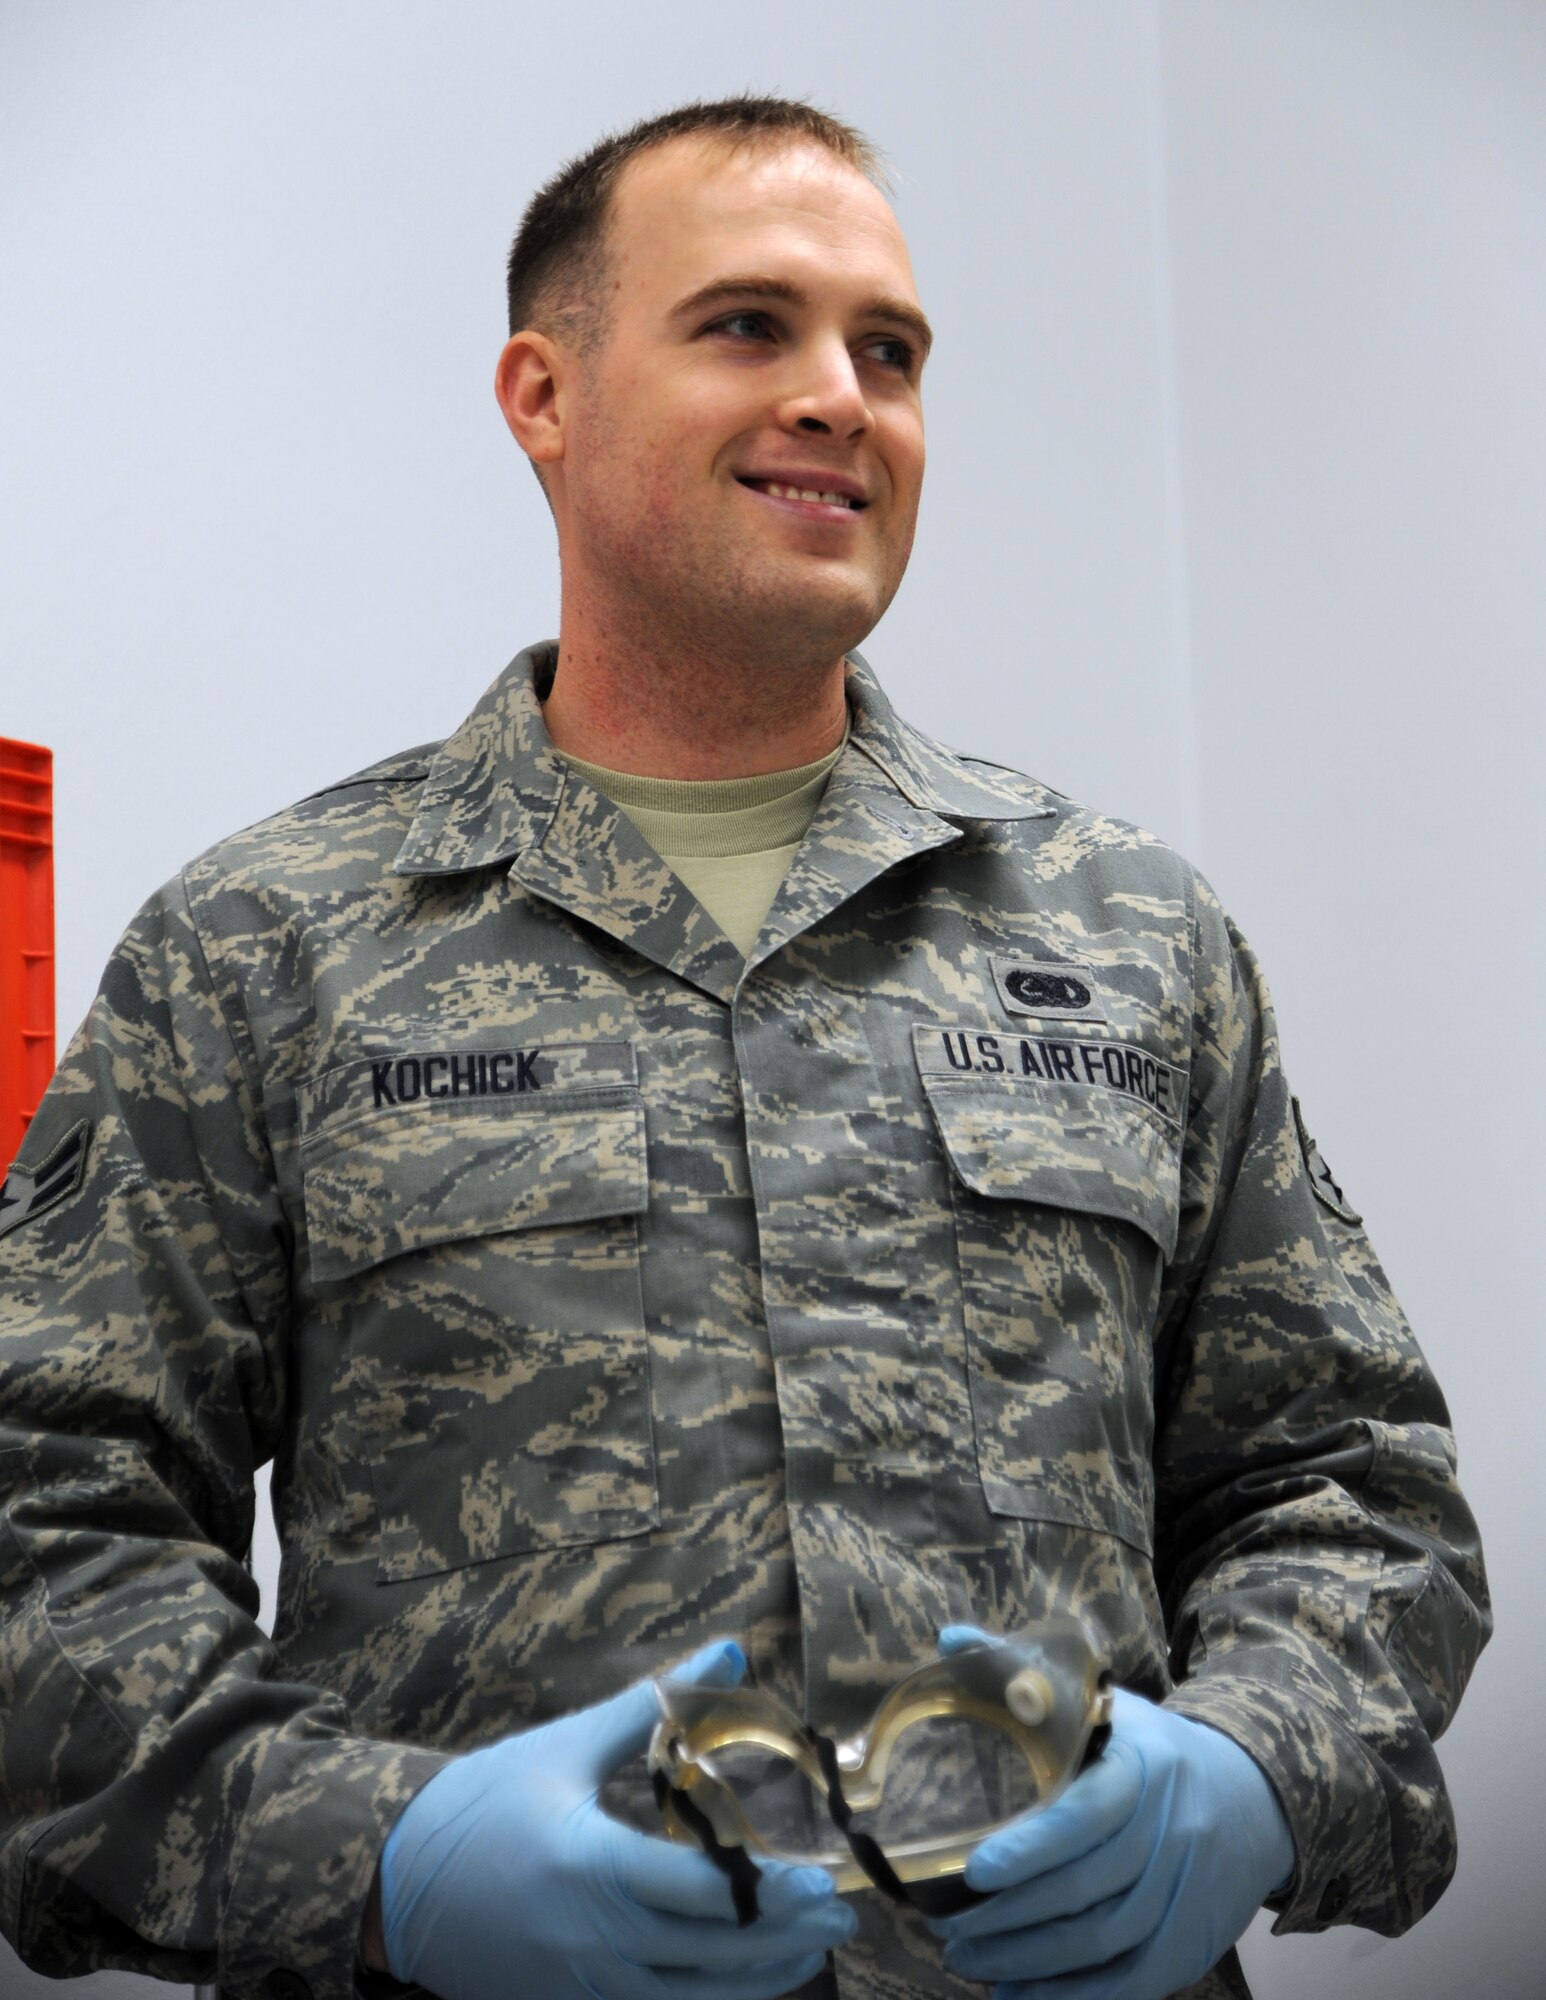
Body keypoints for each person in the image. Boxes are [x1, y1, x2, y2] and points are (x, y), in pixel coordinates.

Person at [0, 97, 1489, 2000]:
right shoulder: (268, 945)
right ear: (542, 394)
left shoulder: (1129, 935)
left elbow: (1346, 1481)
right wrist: (375, 1856)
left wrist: (1256, 1767)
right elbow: (46, 1525)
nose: (839, 397)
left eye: (890, 351)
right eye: (744, 328)